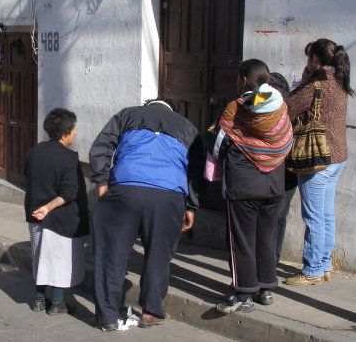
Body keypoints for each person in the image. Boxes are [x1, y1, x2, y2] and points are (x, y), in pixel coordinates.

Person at [89, 98, 203, 331]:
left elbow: (102, 144)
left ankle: (107, 317)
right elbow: (196, 171)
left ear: (148, 105)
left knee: (111, 254)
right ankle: (151, 311)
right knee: (159, 255)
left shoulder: (127, 115)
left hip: (125, 190)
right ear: (172, 109)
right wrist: (191, 206)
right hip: (168, 197)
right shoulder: (188, 127)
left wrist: (101, 181)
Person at [207, 59, 292, 314]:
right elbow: (287, 138)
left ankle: (243, 292)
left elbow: (219, 142)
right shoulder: (279, 107)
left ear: (244, 80)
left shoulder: (238, 107)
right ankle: (265, 289)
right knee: (267, 236)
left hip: (243, 185)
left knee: (241, 240)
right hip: (274, 183)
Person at [285, 39, 354, 286]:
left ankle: (312, 269)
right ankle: (324, 264)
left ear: (315, 59)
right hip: (337, 156)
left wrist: (304, 80)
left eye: (308, 58)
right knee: (325, 214)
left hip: (317, 158)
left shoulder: (316, 85)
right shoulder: (340, 82)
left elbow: (288, 107)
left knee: (313, 215)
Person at [24, 108, 89, 314]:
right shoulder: (68, 158)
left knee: (40, 257)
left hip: (35, 216)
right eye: (73, 129)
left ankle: (39, 300)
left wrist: (41, 208)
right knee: (59, 259)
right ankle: (58, 303)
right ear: (63, 134)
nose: (75, 133)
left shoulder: (34, 152)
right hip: (59, 218)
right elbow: (70, 192)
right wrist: (49, 207)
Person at [268, 72, 298, 263]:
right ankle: (272, 258)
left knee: (274, 216)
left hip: (278, 171)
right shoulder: (293, 109)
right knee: (279, 215)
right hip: (287, 172)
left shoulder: (278, 111)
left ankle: (270, 257)